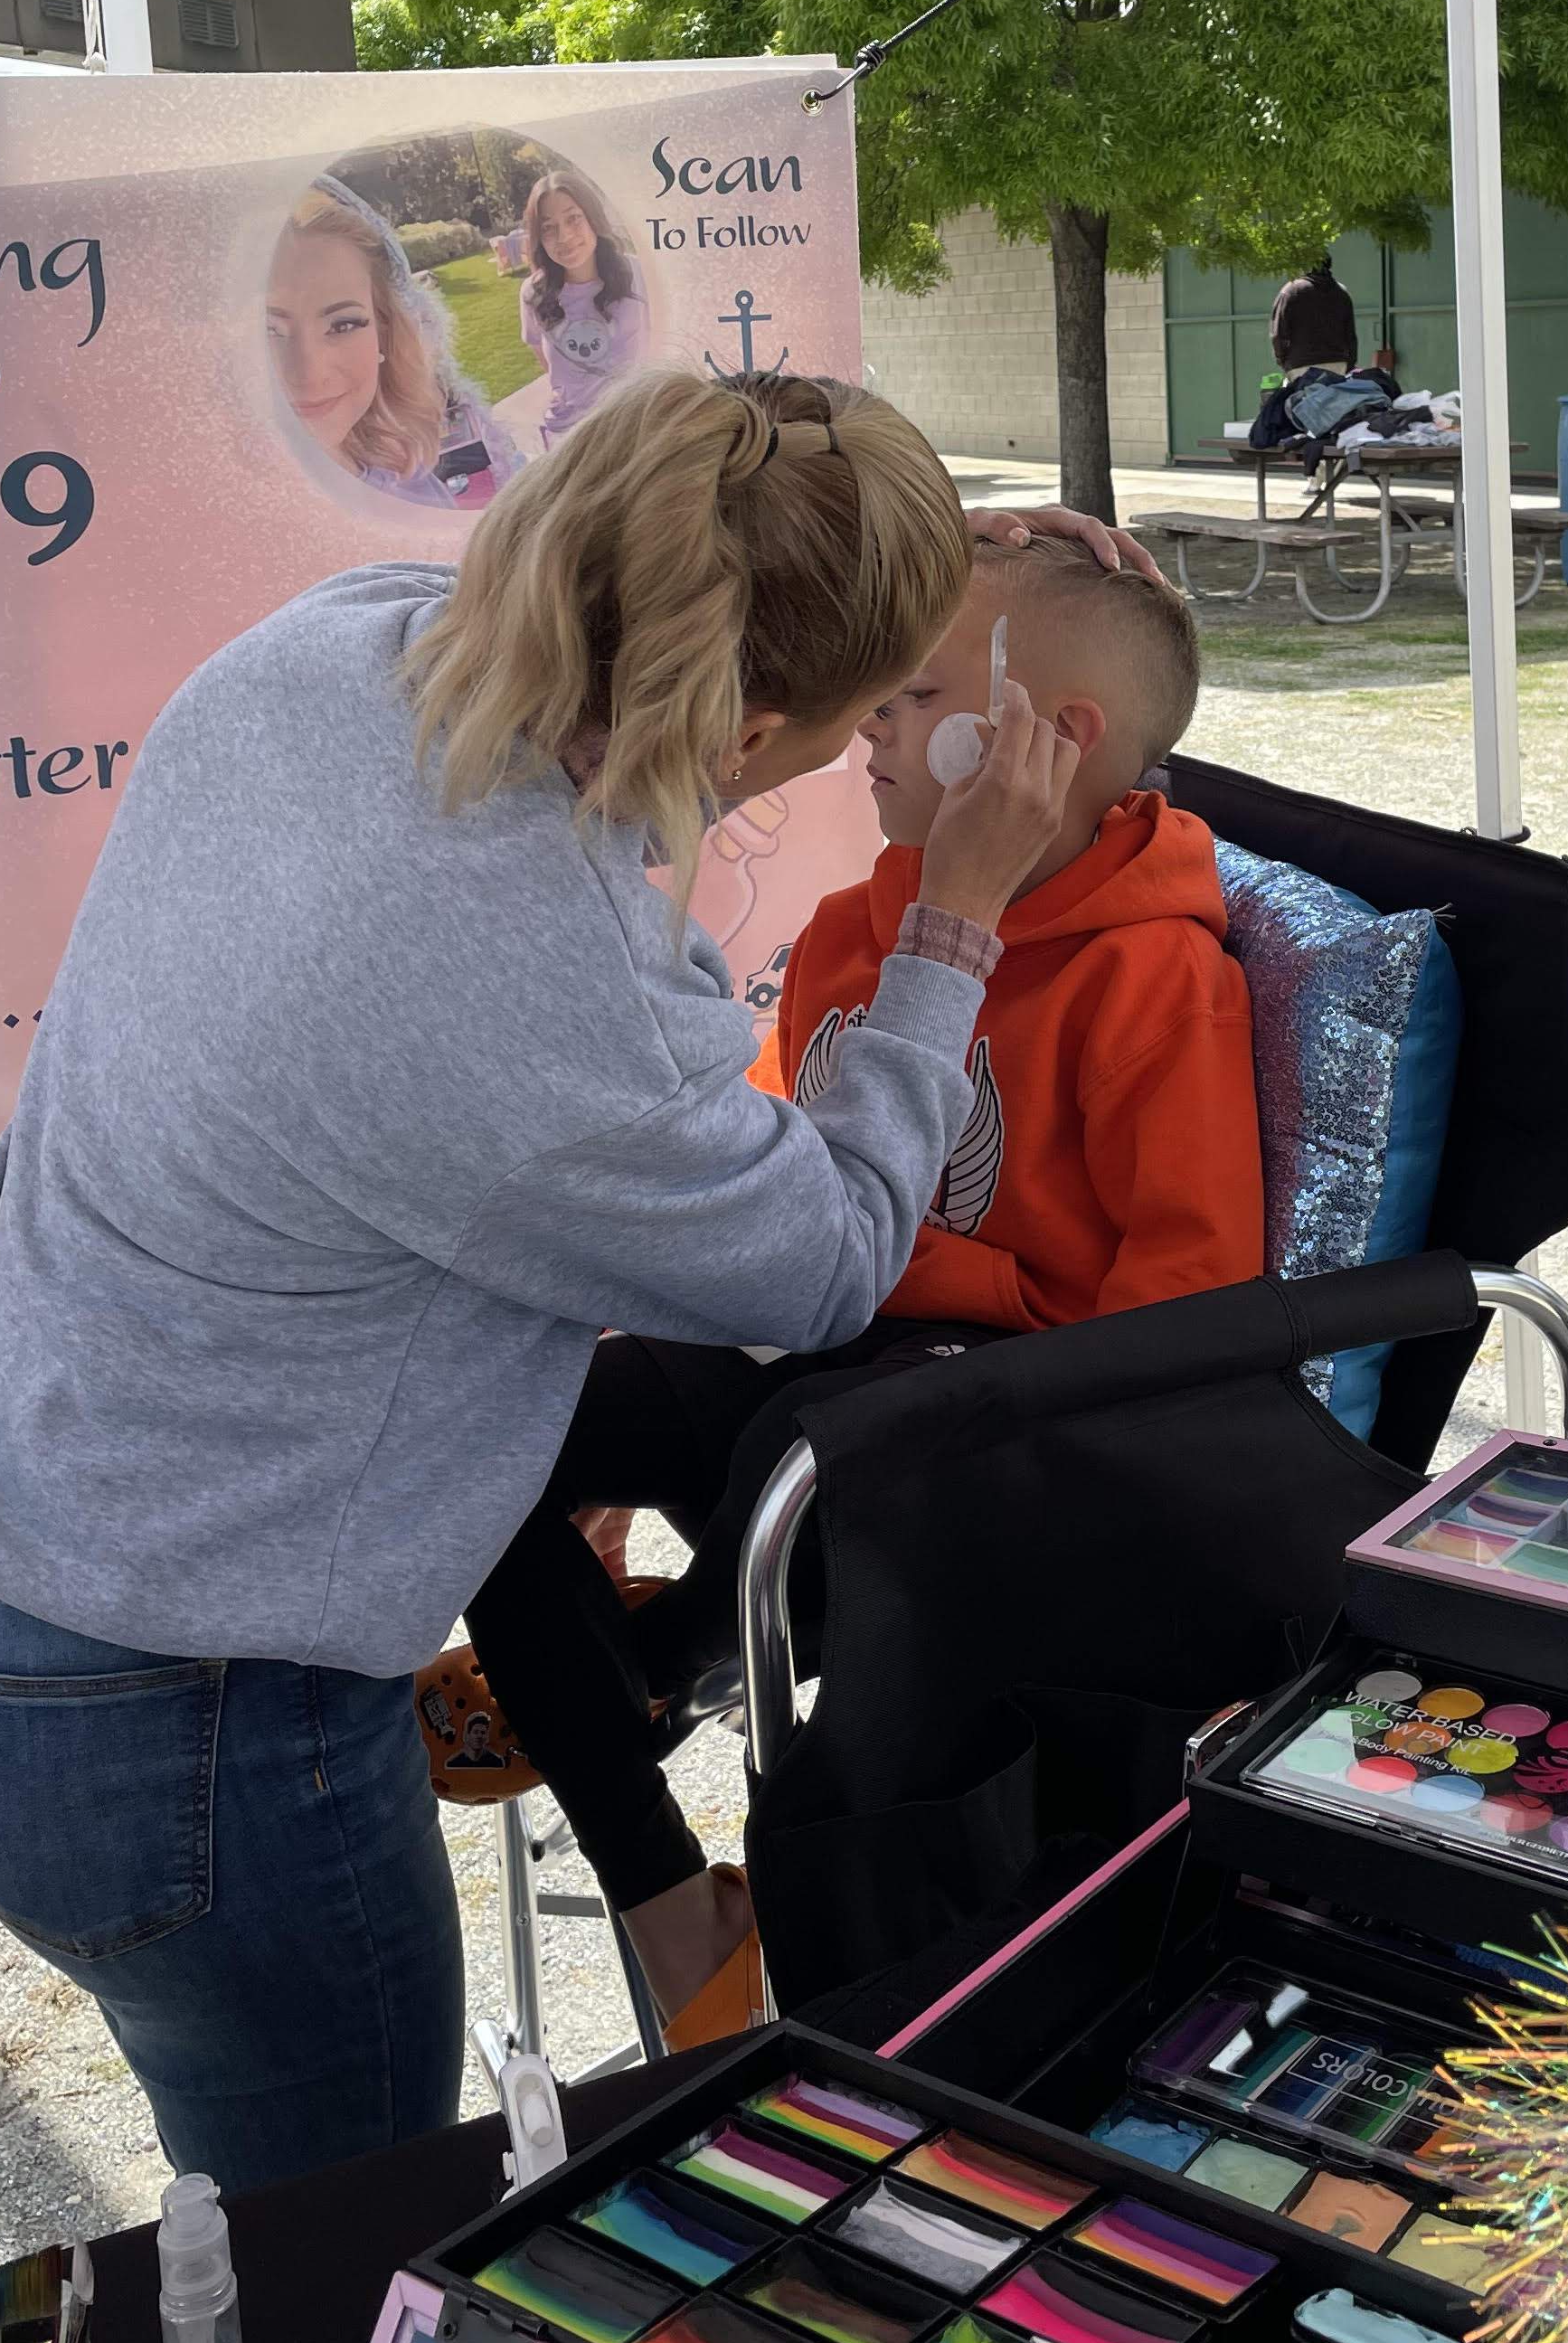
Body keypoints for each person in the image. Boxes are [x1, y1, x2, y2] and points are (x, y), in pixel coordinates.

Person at [0, 364, 1138, 2187]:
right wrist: (961, 916)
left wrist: (916, 545)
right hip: (185, 1725)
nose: (883, 743)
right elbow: (835, 1253)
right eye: (876, 702)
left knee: (262, 2229)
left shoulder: (348, 642)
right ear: (760, 719)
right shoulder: (534, 979)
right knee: (336, 2268)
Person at [440, 532, 1262, 2007]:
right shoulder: (847, 923)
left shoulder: (1153, 976)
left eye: (910, 693)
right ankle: (667, 1893)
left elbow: (1183, 1314)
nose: (862, 727)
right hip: (821, 1340)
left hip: (999, 1413)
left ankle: (632, 1664)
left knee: (793, 1446)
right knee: (494, 1423)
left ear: (1047, 739)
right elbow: (767, 1192)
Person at [267, 175, 524, 509]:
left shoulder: (399, 459)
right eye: (269, 330)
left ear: (384, 335)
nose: (308, 371)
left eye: (342, 325)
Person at [517, 165, 649, 447]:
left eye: (573, 218)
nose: (564, 236)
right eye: (548, 227)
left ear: (593, 218)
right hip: (571, 438)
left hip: (635, 429)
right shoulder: (532, 293)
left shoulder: (637, 274)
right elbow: (543, 355)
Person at [1270, 259, 1359, 380]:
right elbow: (1350, 334)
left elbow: (1278, 333)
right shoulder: (1341, 292)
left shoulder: (1291, 291)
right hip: (1337, 362)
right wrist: (1349, 363)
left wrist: (1283, 361)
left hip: (1301, 363)